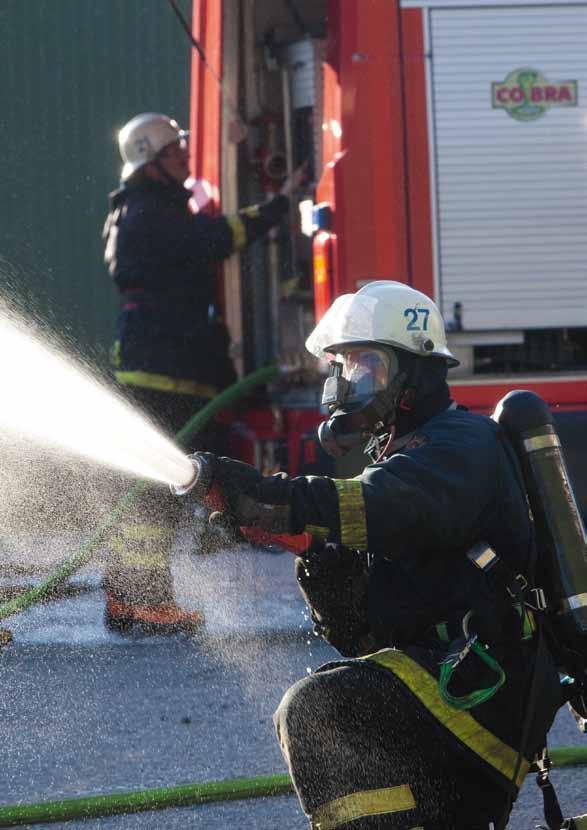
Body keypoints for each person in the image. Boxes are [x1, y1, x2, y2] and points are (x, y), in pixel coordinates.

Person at [178, 280, 564, 828]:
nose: (348, 383)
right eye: (343, 367)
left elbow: (378, 505)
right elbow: (362, 631)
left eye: (365, 366)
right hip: (446, 685)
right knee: (335, 703)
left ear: (412, 372)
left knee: (319, 709)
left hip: (481, 693)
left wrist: (269, 498)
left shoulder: (460, 445)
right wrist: (315, 552)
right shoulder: (408, 453)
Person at [102, 111, 305, 634]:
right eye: (176, 153)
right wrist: (280, 205)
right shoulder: (150, 212)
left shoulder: (145, 208)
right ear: (152, 162)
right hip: (163, 370)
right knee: (156, 490)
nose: (185, 159)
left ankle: (129, 597)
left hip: (160, 366)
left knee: (149, 488)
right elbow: (217, 238)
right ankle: (142, 600)